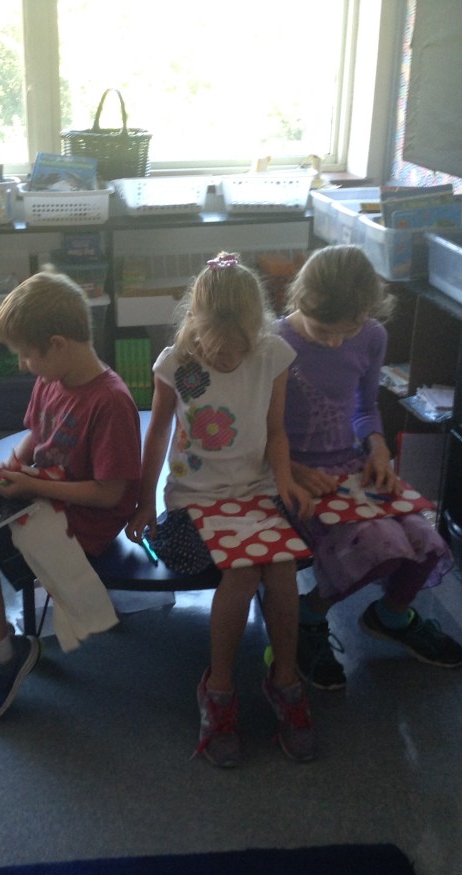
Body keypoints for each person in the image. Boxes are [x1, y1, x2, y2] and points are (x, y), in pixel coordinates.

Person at [125, 251, 315, 768]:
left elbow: (275, 430)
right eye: (217, 348)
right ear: (195, 323)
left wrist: (285, 479)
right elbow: (156, 433)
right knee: (242, 571)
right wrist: (144, 502)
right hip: (195, 500)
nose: (228, 358)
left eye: (239, 347)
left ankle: (285, 680)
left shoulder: (272, 355)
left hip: (255, 493)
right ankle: (220, 689)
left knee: (281, 570)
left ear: (258, 328)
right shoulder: (176, 364)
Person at [0, 270, 141, 723]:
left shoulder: (110, 401)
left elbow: (109, 495)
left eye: (27, 354)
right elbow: (37, 434)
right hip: (42, 498)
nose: (24, 364)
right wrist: (9, 468)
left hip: (81, 525)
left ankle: (2, 653)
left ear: (58, 344)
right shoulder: (53, 377)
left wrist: (30, 485)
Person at [276, 244, 462, 691]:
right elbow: (255, 429)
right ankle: (307, 617)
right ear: (301, 300)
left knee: (425, 541)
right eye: (324, 331)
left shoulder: (372, 336)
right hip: (290, 476)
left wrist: (378, 448)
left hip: (351, 466)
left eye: (349, 330)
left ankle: (391, 616)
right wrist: (292, 469)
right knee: (381, 547)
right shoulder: (275, 344)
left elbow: (364, 409)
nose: (335, 342)